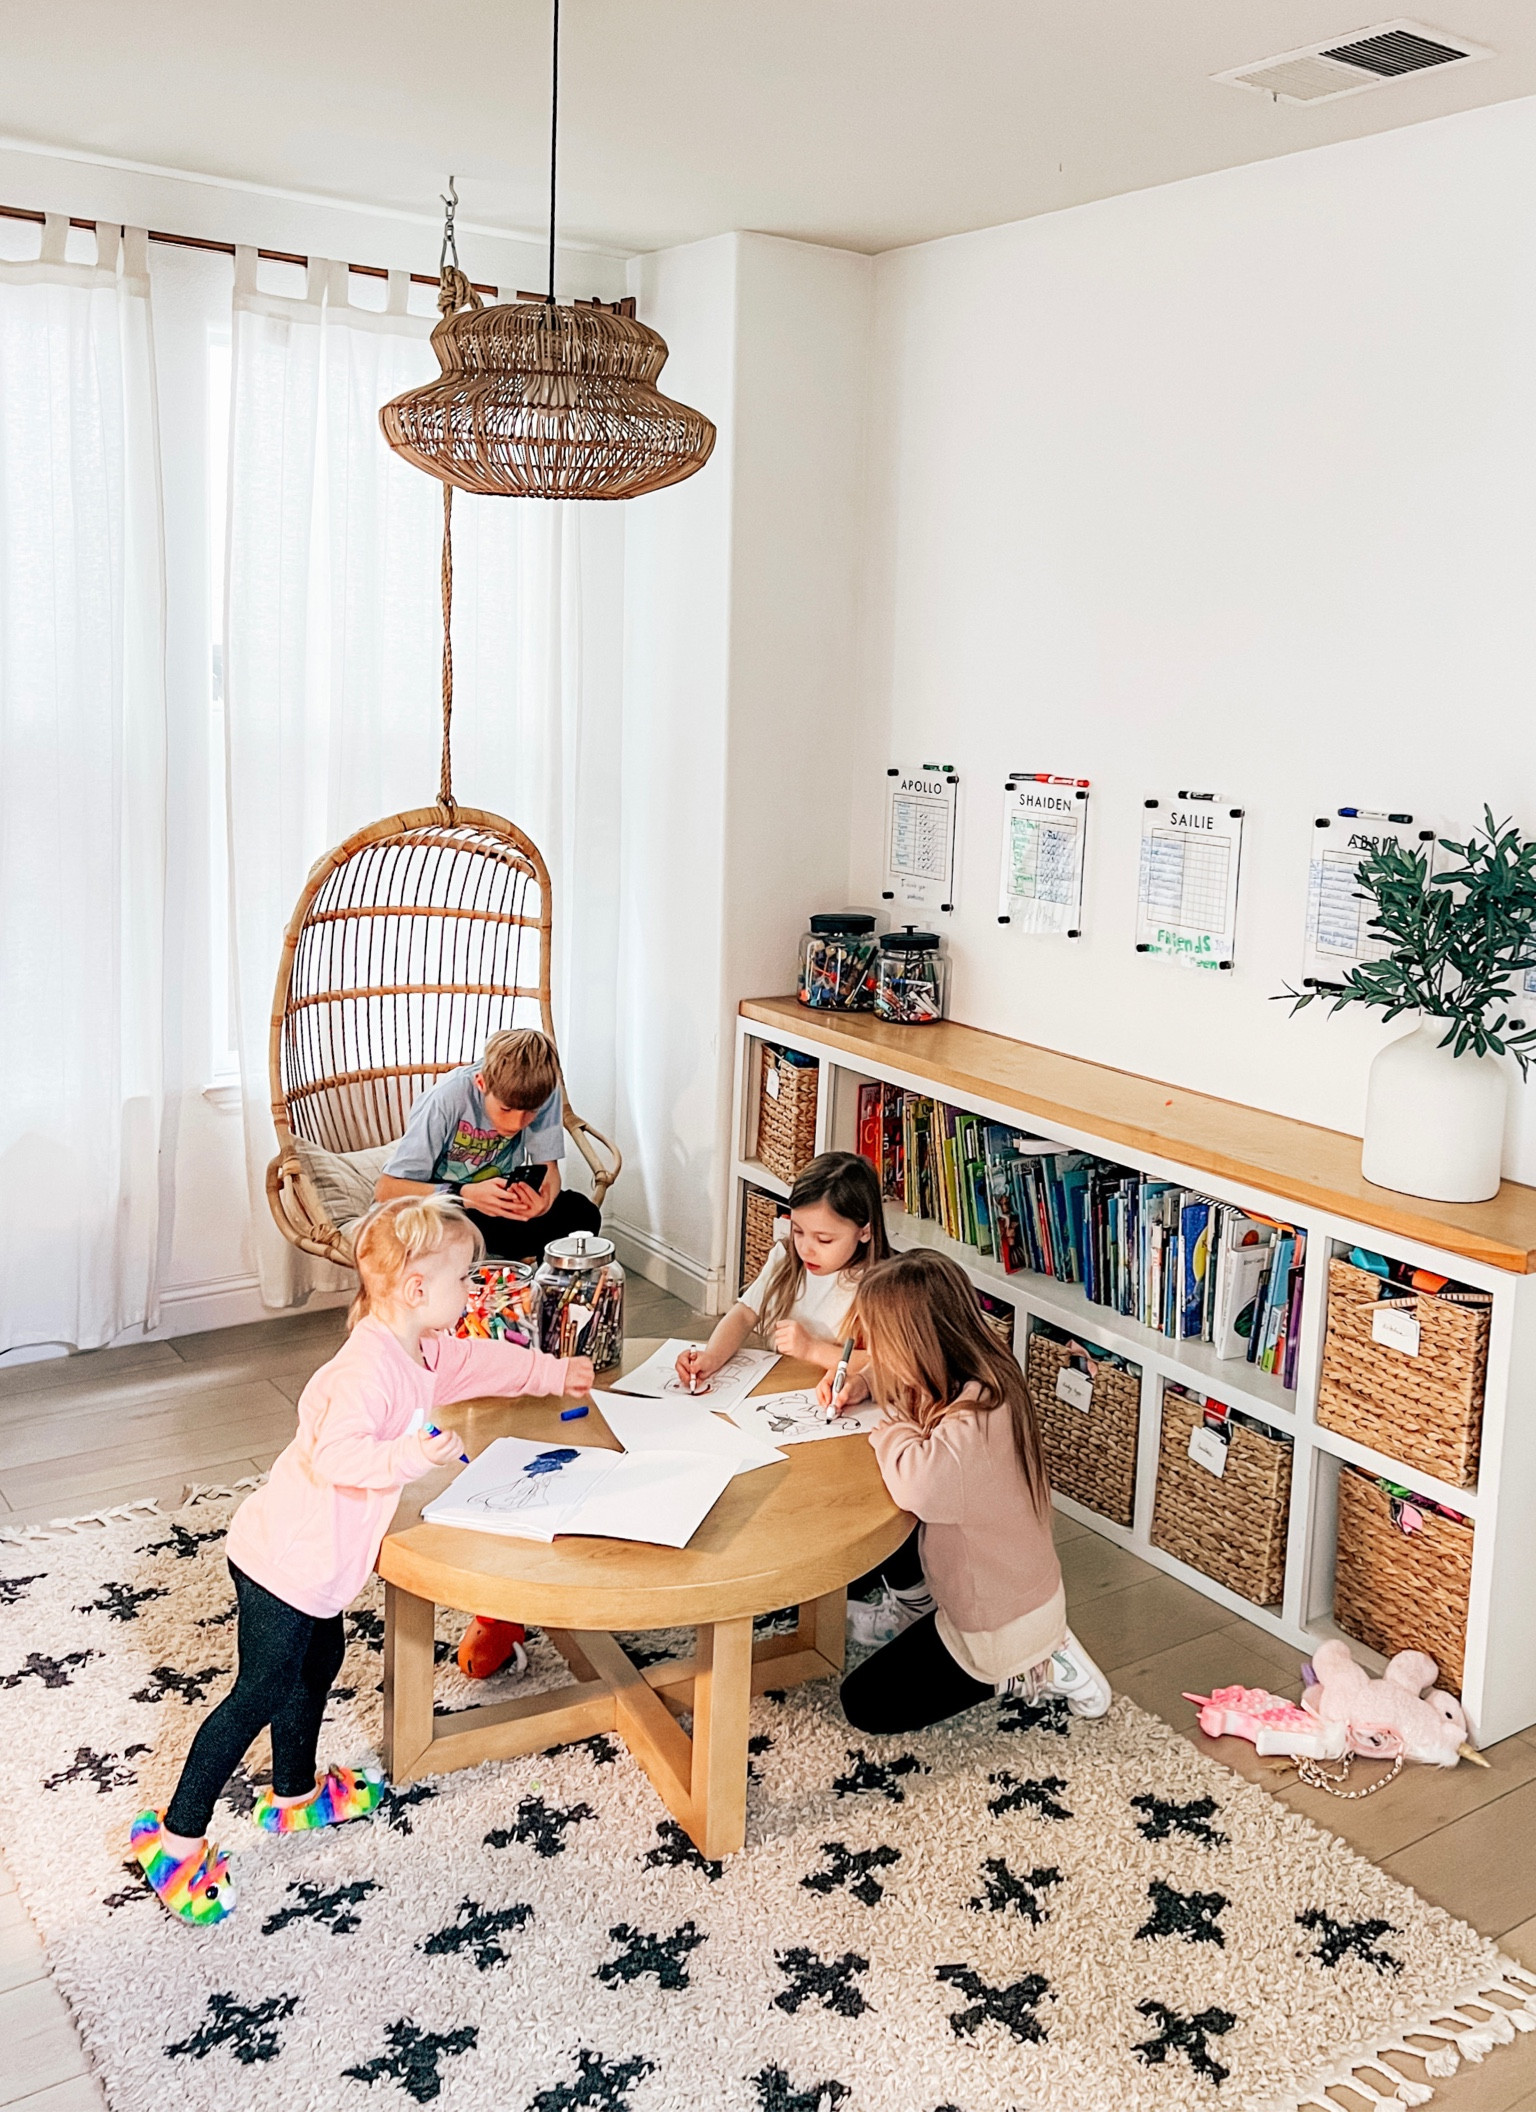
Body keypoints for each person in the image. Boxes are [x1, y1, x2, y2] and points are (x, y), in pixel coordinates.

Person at [130, 1195, 593, 1926]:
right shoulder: (365, 1369)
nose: (472, 1292)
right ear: (416, 1290)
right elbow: (339, 1453)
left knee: (317, 1667)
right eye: (465, 1280)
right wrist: (413, 1453)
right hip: (281, 1563)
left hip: (320, 1571)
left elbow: (473, 1362)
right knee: (258, 1690)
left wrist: (549, 1373)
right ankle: (178, 1837)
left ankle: (293, 1795)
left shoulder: (418, 1348)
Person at [838, 1248, 1111, 1734]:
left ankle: (1036, 1668)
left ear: (913, 1344)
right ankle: (923, 1617)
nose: (874, 1353)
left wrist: (891, 1431)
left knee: (863, 1703)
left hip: (995, 1628)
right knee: (880, 1523)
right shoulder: (980, 1375)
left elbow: (917, 1486)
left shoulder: (971, 1426)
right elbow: (901, 1384)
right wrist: (864, 1381)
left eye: (879, 1345)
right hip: (1010, 1589)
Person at [374, 1026, 600, 1264]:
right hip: (442, 1207)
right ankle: (506, 1264)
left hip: (495, 1206)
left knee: (582, 1214)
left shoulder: (543, 1090)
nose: (516, 1123)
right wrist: (463, 1195)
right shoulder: (447, 1099)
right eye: (506, 1109)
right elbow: (386, 1190)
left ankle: (543, 1288)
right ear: (481, 1083)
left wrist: (543, 1202)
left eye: (530, 1112)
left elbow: (549, 1171)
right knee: (440, 1238)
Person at [675, 1152, 890, 1394]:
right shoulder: (786, 1259)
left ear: (865, 1232)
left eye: (824, 1239)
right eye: (798, 1231)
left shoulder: (882, 1286)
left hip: (834, 1403)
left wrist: (812, 1349)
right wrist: (712, 1356)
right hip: (775, 1392)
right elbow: (744, 1314)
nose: (806, 1248)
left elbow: (889, 1366)